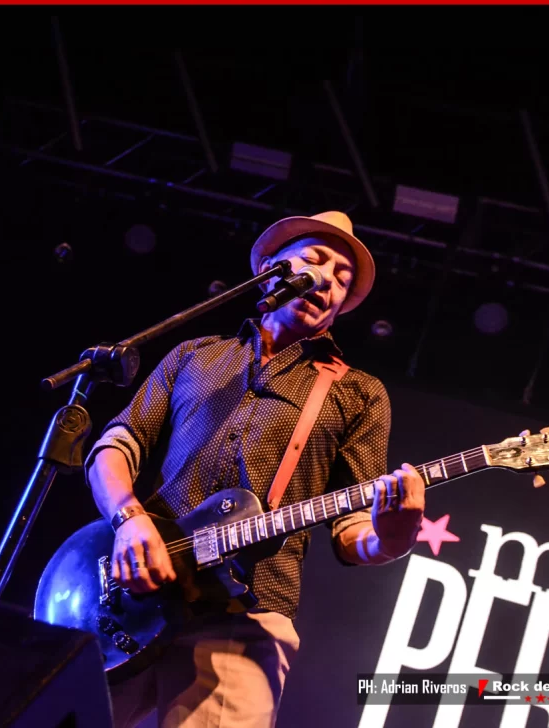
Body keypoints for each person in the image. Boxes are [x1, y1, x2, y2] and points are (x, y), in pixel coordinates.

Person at [85, 210, 426, 728]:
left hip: (243, 617)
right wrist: (129, 520)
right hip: (134, 592)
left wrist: (393, 537)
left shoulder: (358, 392)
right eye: (314, 260)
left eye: (342, 279)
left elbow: (352, 531)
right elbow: (115, 445)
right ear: (268, 269)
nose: (327, 281)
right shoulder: (195, 355)